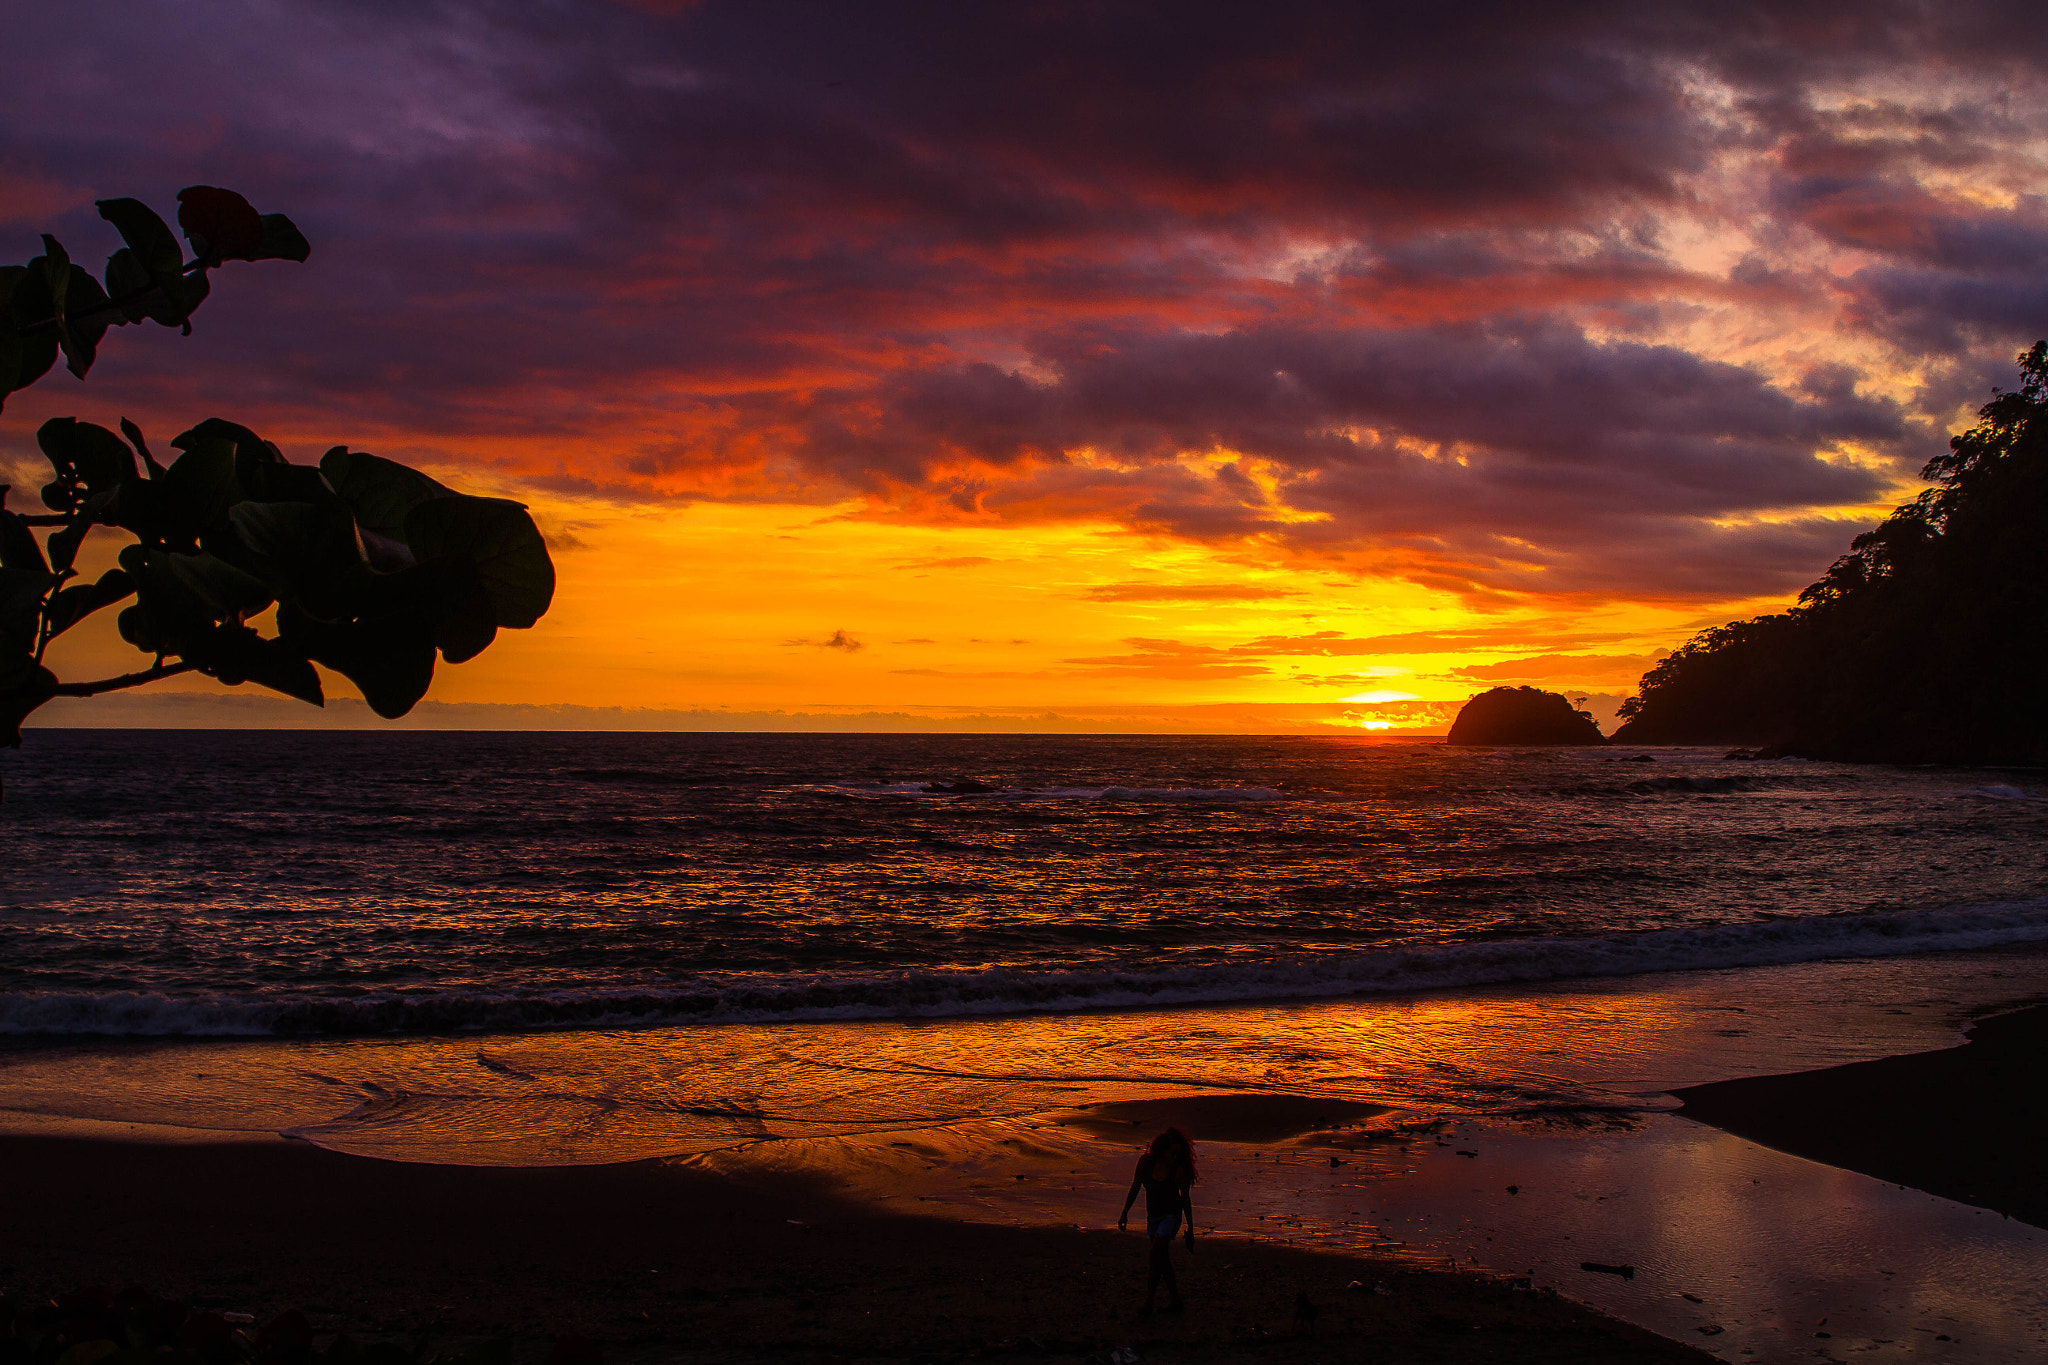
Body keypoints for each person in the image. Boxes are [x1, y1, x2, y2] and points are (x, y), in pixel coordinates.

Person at [1117, 1126, 1196, 1314]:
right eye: (1172, 1152)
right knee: (1162, 1259)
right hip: (1153, 1216)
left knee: (1155, 1254)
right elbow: (1135, 1186)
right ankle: (1176, 1301)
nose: (1175, 1157)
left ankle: (1149, 1302)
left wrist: (1190, 1229)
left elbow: (1185, 1199)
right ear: (1162, 1150)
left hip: (1171, 1216)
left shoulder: (1179, 1171)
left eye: (1178, 1153)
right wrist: (1124, 1213)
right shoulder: (1146, 1162)